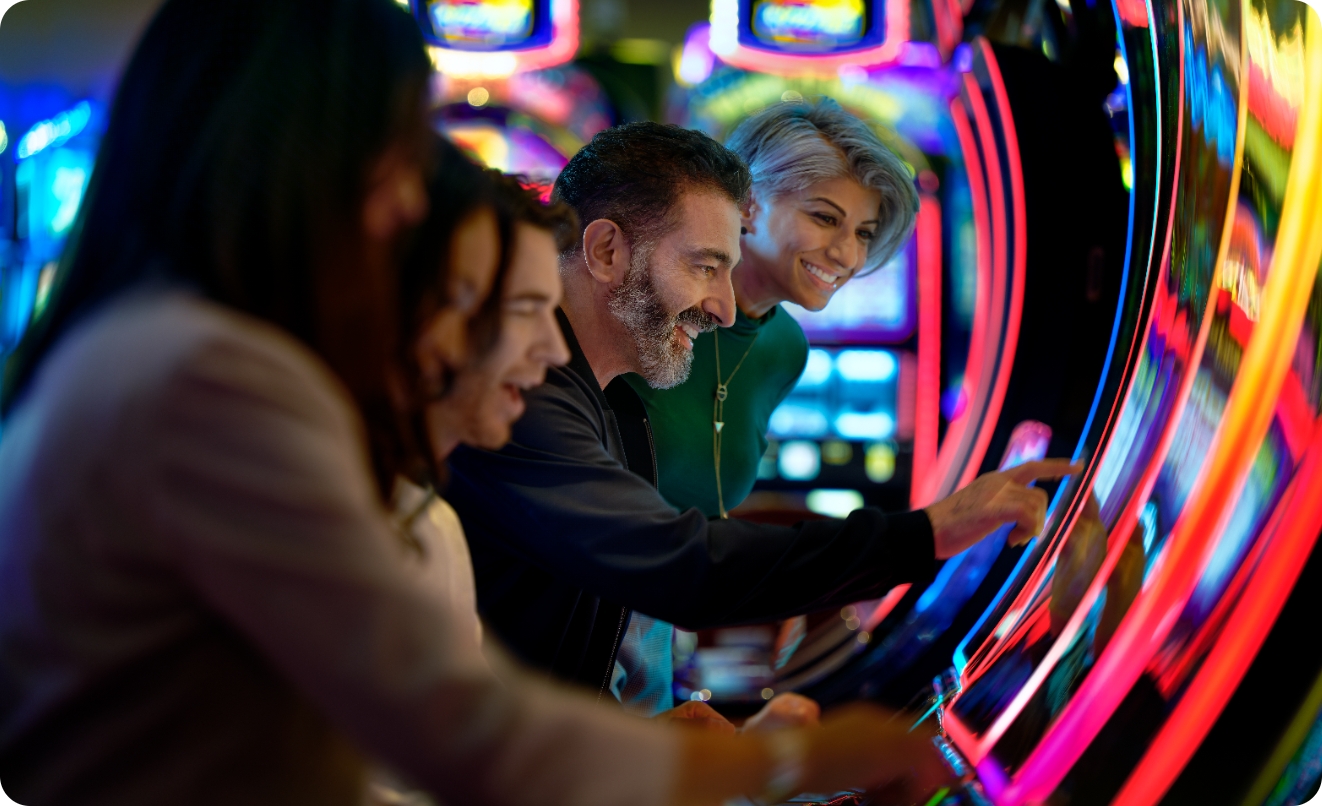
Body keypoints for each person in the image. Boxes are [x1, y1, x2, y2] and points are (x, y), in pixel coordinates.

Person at [0, 2, 954, 804]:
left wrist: (666, 740)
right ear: (299, 162)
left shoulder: (159, 345)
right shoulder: (205, 374)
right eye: (398, 155)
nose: (412, 199)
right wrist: (774, 759)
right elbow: (452, 728)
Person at [447, 121, 1077, 714]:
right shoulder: (523, 389)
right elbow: (677, 565)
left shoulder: (724, 353)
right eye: (706, 265)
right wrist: (925, 534)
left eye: (864, 231)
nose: (724, 309)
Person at [609, 98, 926, 716]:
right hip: (568, 611)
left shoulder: (785, 348)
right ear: (747, 203)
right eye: (824, 218)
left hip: (655, 629)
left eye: (862, 233)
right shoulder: (647, 310)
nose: (848, 255)